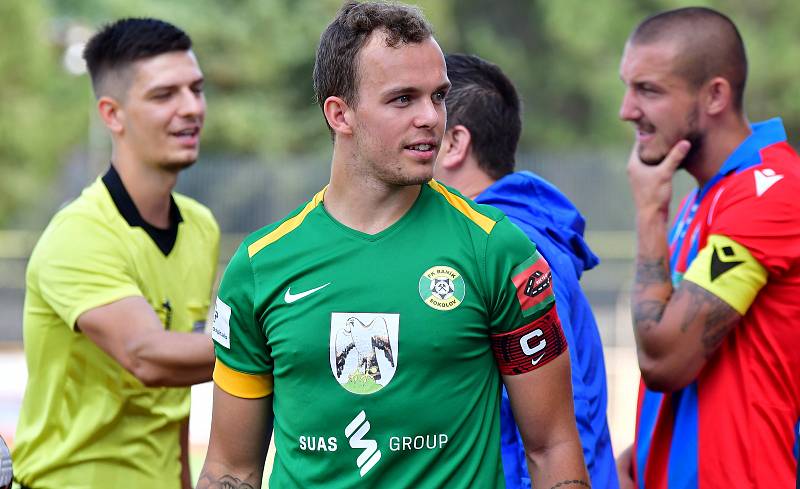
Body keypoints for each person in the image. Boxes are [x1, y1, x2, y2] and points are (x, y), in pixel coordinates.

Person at [198, 2, 589, 488]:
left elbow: (552, 447)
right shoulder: (260, 266)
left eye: (439, 97)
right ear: (340, 113)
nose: (431, 117)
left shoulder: (498, 250)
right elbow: (231, 469)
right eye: (403, 99)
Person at [12, 18, 219, 489]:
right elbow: (149, 358)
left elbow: (177, 389)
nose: (191, 108)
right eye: (165, 95)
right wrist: (290, 340)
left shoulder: (201, 227)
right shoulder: (78, 235)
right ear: (112, 114)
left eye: (196, 89)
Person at [617, 7, 800, 487]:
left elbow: (665, 361)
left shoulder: (770, 193)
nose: (627, 110)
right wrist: (643, 453)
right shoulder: (709, 198)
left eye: (648, 90)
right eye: (627, 86)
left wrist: (648, 217)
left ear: (715, 94)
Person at [434, 53, 618, 489]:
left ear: (455, 143)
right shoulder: (490, 239)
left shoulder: (512, 248)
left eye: (423, 110)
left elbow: (557, 432)